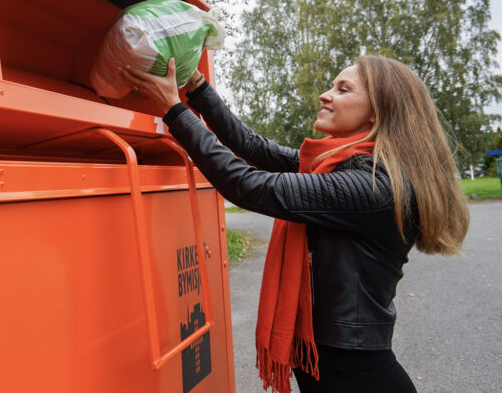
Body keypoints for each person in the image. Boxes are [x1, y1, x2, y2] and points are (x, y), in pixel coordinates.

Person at [120, 55, 468, 393]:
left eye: (343, 89)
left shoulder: (375, 187)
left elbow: (247, 185)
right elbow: (252, 147)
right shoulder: (337, 166)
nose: (325, 94)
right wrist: (196, 86)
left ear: (376, 111)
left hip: (357, 374)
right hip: (336, 363)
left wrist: (174, 110)